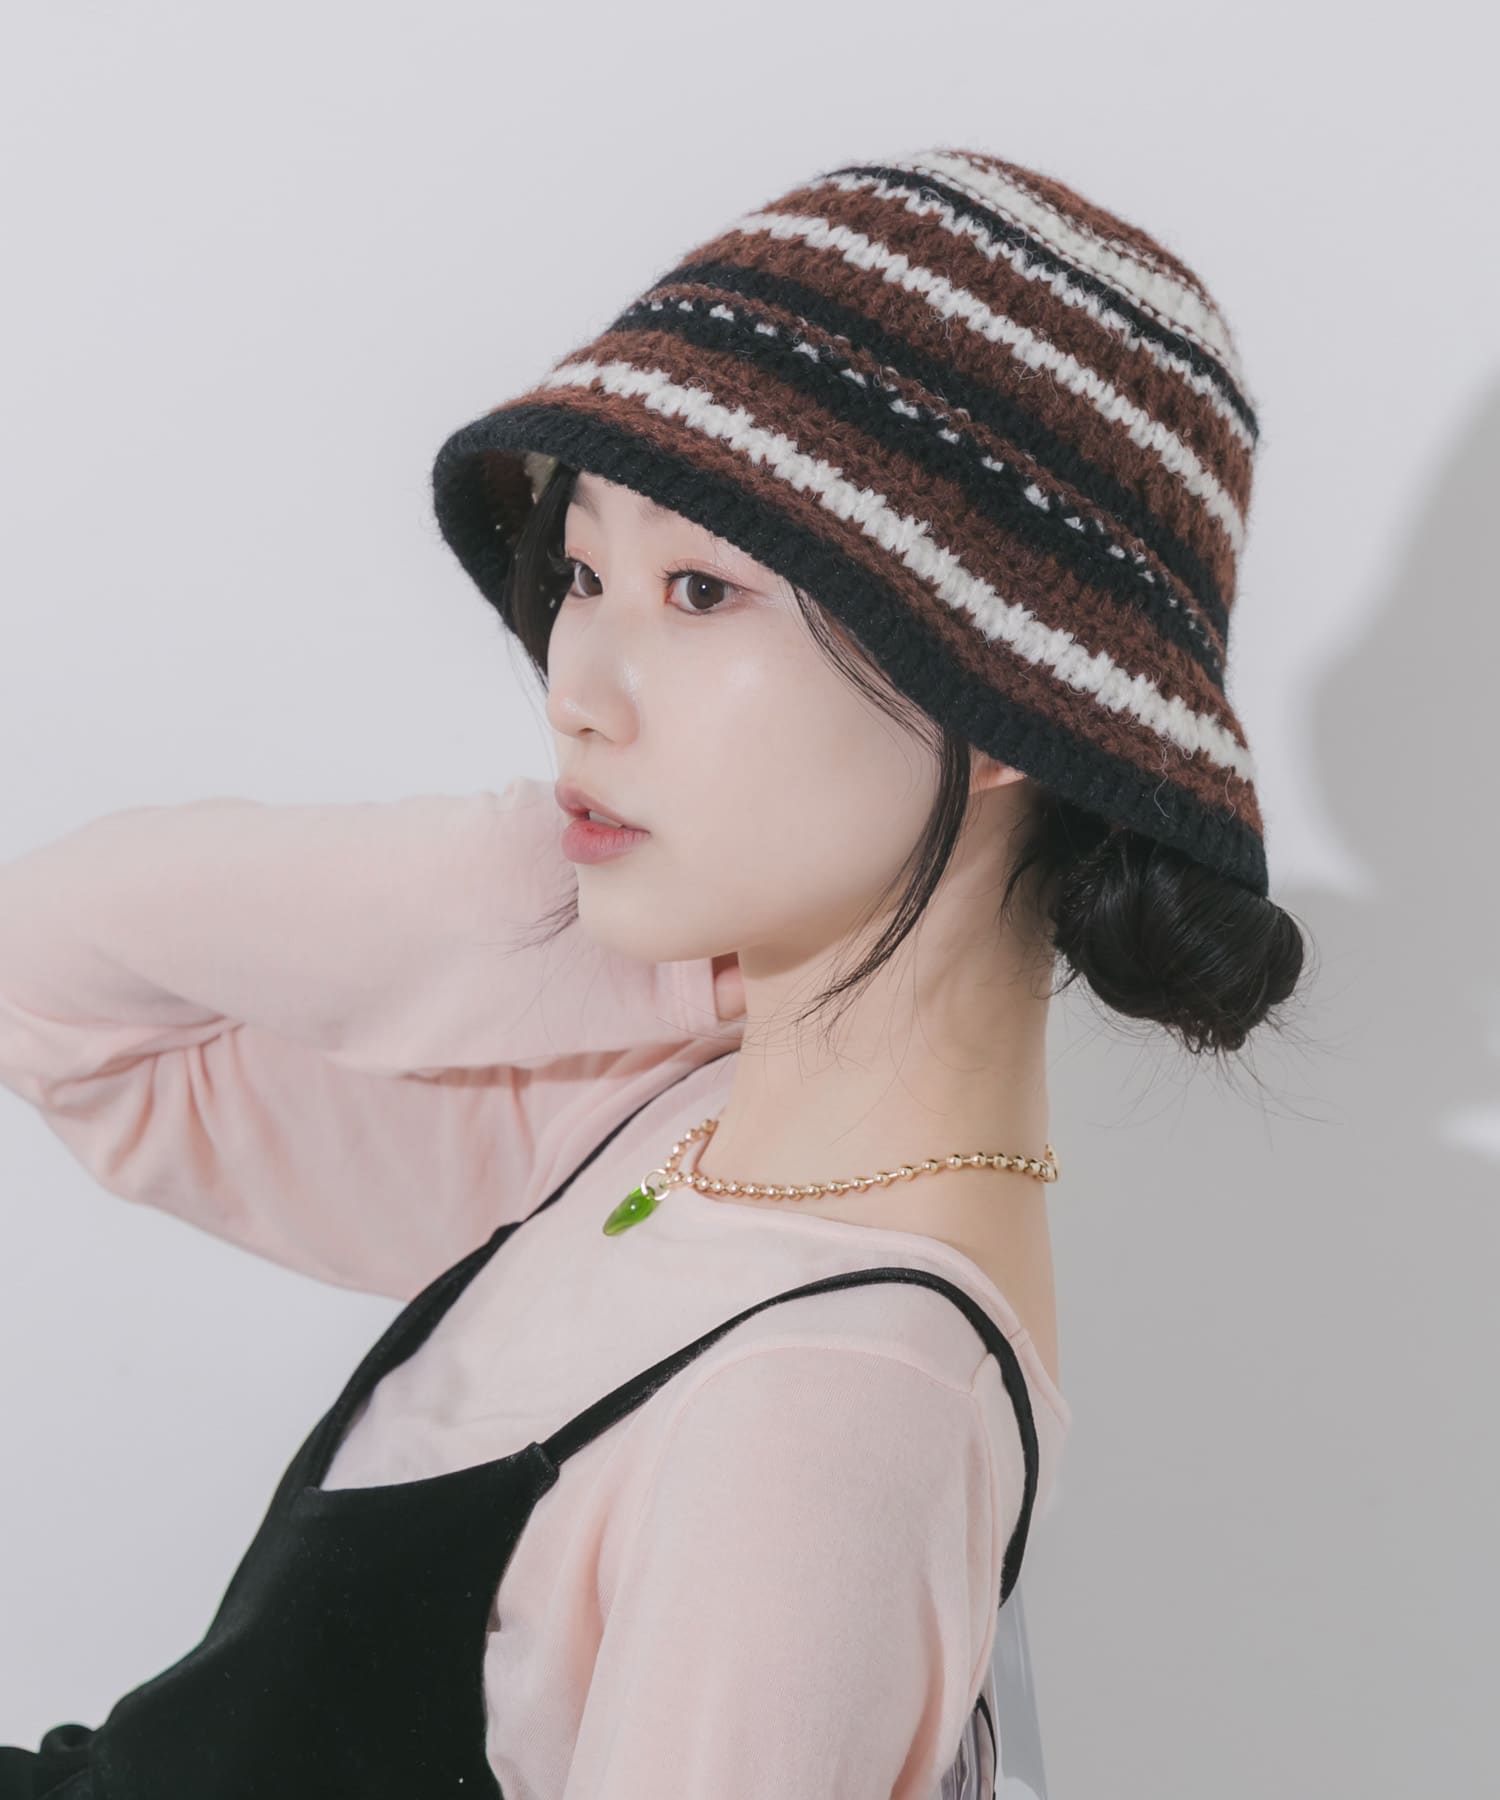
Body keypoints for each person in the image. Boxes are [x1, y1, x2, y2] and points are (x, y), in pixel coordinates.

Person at [0, 145, 1308, 1798]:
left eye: (700, 590)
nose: (577, 688)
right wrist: (548, 907)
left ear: (1000, 707)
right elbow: (52, 989)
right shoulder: (668, 1132)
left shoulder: (823, 1411)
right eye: (584, 575)